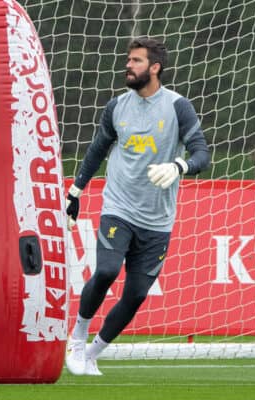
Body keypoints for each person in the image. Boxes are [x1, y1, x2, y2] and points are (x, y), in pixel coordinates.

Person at [64, 37, 210, 376]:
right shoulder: (117, 106)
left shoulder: (177, 107)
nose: (128, 66)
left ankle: (92, 353)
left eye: (136, 61)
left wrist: (178, 167)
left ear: (154, 68)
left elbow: (202, 154)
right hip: (119, 207)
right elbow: (98, 149)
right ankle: (77, 337)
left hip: (158, 219)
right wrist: (75, 190)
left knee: (137, 293)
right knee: (106, 271)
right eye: (129, 60)